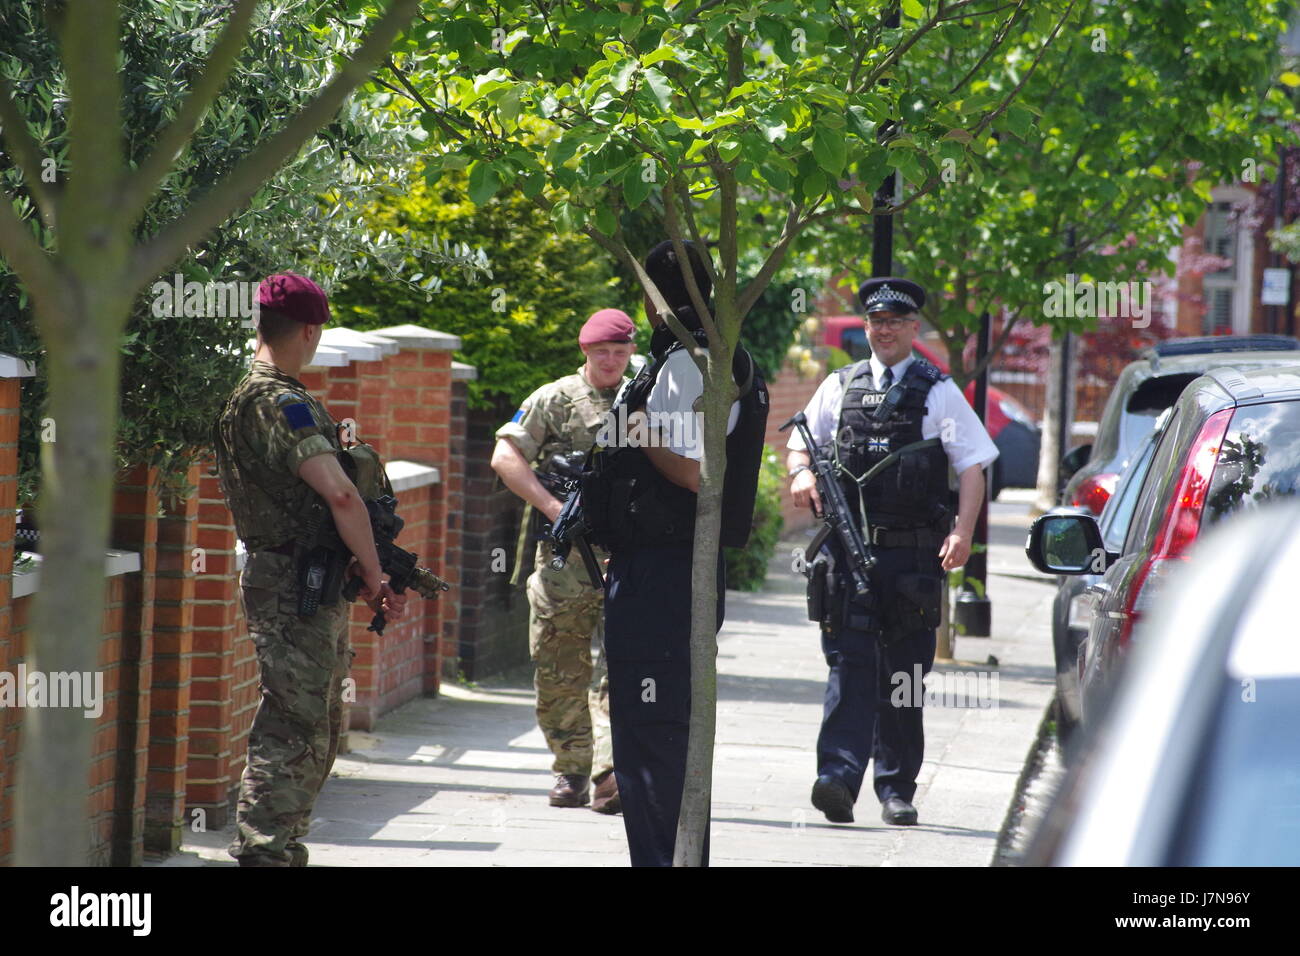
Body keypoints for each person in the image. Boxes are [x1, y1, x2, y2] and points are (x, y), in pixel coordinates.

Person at [584, 240, 769, 866]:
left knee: (654, 735)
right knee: (652, 738)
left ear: (656, 295)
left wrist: (637, 434)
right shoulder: (694, 354)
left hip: (666, 575)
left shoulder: (692, 361)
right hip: (659, 568)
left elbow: (697, 473)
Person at [787, 277, 997, 828]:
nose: (883, 331)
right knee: (848, 667)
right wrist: (801, 474)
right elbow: (798, 445)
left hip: (910, 561)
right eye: (875, 322)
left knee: (903, 676)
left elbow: (973, 467)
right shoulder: (839, 385)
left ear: (912, 330)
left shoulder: (939, 391)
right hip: (846, 554)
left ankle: (895, 788)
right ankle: (837, 776)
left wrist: (963, 533)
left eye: (894, 323)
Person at [213, 273, 406, 867]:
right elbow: (341, 495)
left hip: (300, 577)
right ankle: (266, 850)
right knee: (297, 721)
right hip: (295, 580)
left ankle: (280, 844)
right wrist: (376, 576)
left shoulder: (243, 394)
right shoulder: (282, 402)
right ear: (310, 329)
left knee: (316, 715)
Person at [491, 309, 636, 813]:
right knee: (558, 668)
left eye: (621, 352)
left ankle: (609, 771)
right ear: (585, 351)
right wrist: (553, 508)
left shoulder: (648, 398)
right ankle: (571, 769)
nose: (612, 361)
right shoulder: (553, 399)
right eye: (603, 353)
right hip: (566, 559)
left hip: (630, 556)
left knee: (623, 664)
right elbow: (505, 457)